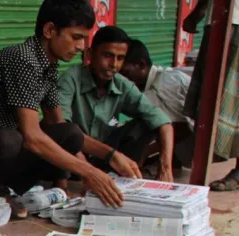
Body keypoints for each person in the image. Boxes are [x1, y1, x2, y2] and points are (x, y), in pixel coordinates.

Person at [0, 0, 139, 231]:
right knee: (11, 139)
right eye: (76, 37)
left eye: (84, 39)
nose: (81, 46)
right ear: (49, 31)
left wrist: (110, 156)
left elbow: (57, 124)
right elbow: (32, 137)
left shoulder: (47, 66)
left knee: (70, 134)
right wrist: (90, 171)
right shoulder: (23, 59)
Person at [58, 26, 175, 182]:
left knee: (147, 123)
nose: (114, 64)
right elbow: (62, 128)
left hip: (106, 156)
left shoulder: (122, 85)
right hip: (73, 156)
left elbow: (164, 122)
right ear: (90, 54)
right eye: (107, 55)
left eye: (120, 58)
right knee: (63, 130)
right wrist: (88, 172)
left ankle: (129, 177)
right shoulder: (71, 79)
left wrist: (165, 167)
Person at [183, 0, 239, 190]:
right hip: (222, 20)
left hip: (231, 22)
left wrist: (198, 12)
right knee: (212, 100)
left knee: (223, 102)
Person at [120, 39, 196, 171]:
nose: (122, 79)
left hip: (195, 146)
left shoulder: (166, 83)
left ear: (142, 65)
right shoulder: (145, 87)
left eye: (125, 73)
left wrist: (146, 151)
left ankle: (166, 163)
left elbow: (185, 127)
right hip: (184, 146)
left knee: (148, 122)